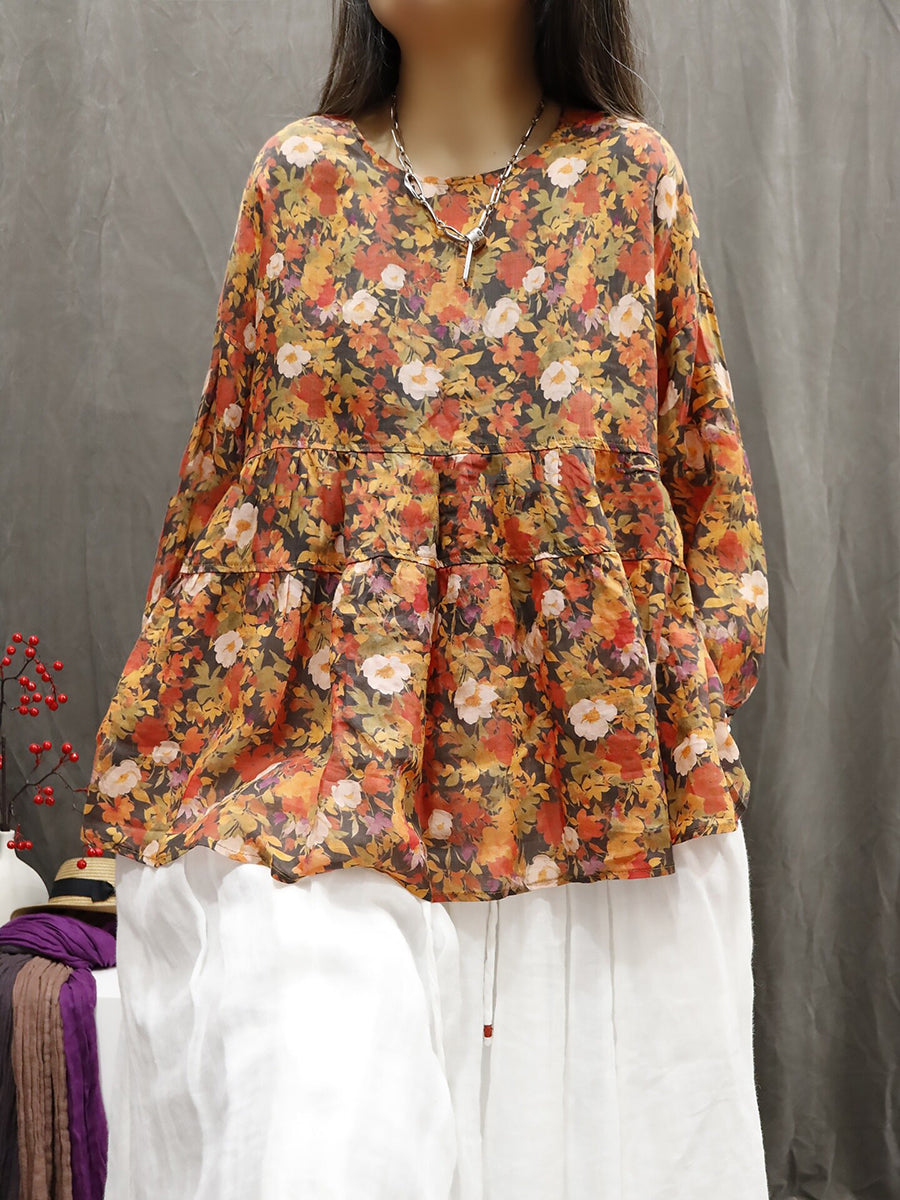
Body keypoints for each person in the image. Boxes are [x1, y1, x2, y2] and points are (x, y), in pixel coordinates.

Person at [83, 1, 771, 1196]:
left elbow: (705, 478)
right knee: (321, 1095)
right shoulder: (300, 179)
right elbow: (220, 488)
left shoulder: (630, 182)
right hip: (324, 776)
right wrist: (172, 747)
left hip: (584, 790)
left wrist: (672, 716)